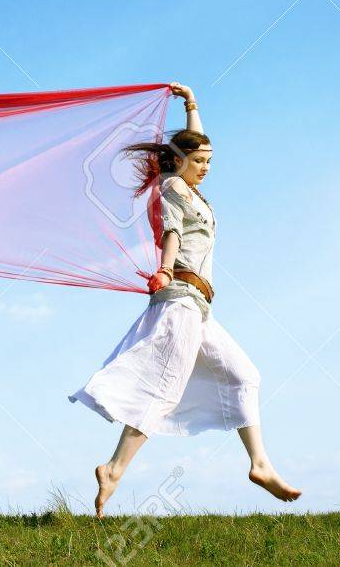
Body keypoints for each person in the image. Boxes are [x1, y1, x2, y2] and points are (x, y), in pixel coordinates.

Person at [69, 83, 301, 517]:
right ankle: (114, 469)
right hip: (179, 299)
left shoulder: (191, 186)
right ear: (178, 161)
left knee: (242, 376)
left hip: (199, 307)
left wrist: (191, 103)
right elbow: (172, 231)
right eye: (199, 161)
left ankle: (260, 464)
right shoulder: (173, 188)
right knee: (162, 388)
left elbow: (192, 142)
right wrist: (163, 267)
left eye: (209, 161)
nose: (206, 167)